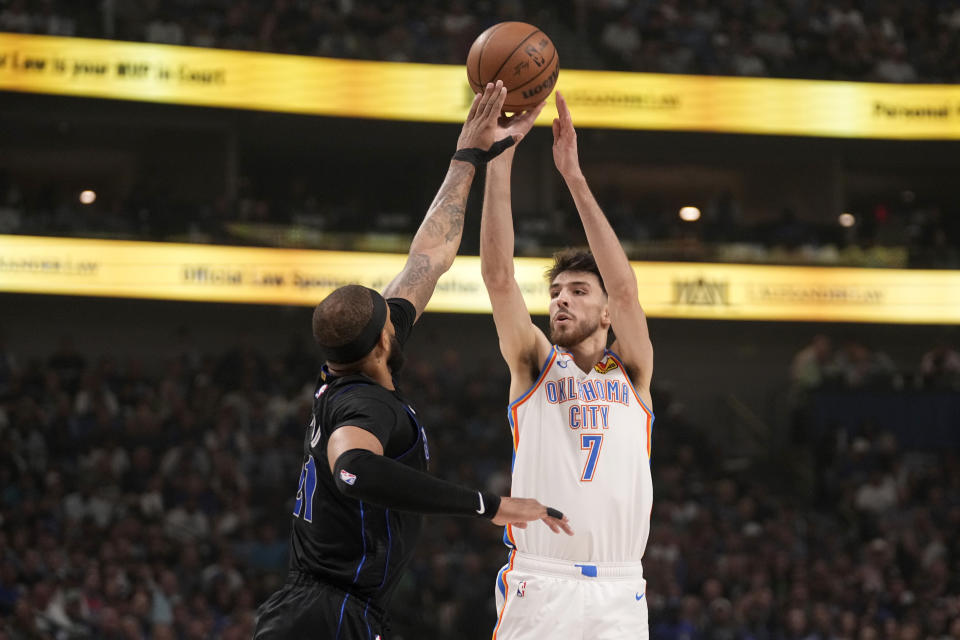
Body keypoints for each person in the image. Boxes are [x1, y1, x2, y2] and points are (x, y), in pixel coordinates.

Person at [253, 81, 572, 640]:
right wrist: (486, 505)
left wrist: (471, 154)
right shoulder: (364, 405)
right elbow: (353, 469)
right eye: (389, 313)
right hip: (327, 616)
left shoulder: (351, 366)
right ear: (382, 340)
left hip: (327, 610)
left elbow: (429, 256)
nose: (399, 306)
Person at [480, 92, 655, 638]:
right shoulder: (534, 363)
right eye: (555, 291)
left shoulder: (631, 373)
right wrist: (501, 159)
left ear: (604, 311)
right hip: (541, 581)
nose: (560, 300)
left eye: (578, 291)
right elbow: (499, 277)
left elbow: (626, 291)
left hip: (620, 588)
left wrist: (574, 179)